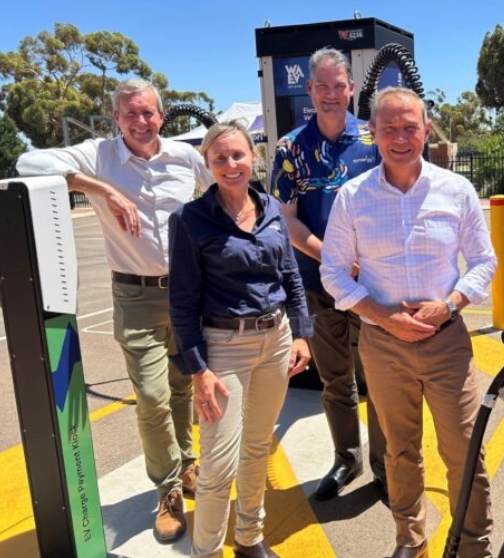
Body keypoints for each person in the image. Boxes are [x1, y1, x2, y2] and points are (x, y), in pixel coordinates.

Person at [16, 79, 213, 543]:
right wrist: (100, 189)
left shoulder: (184, 158)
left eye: (147, 112)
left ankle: (187, 465)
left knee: (183, 389)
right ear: (116, 118)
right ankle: (167, 489)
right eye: (130, 114)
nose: (140, 121)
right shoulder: (99, 155)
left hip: (188, 294)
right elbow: (29, 162)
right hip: (135, 297)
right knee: (152, 398)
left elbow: (218, 197)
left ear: (162, 115)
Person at [320, 87, 497, 558]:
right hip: (383, 345)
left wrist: (451, 304)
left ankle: (474, 545)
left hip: (446, 341)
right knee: (399, 452)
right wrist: (382, 315)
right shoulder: (353, 197)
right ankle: (410, 539)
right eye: (389, 128)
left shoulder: (455, 190)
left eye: (410, 127)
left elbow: (484, 261)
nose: (400, 138)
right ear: (372, 133)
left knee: (464, 448)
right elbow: (332, 271)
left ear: (426, 130)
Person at [168, 121, 313, 558]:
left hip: (276, 340)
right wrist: (198, 371)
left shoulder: (271, 209)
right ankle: (207, 551)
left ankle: (250, 540)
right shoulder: (190, 220)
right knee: (218, 463)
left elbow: (290, 275)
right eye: (220, 158)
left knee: (257, 447)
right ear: (208, 164)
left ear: (253, 158)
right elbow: (182, 301)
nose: (230, 165)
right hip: (223, 348)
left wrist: (302, 333)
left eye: (238, 155)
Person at [272, 47, 387, 502]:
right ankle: (347, 458)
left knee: (379, 378)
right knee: (335, 380)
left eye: (339, 85)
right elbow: (288, 220)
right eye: (322, 85)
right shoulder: (290, 148)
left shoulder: (374, 139)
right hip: (318, 284)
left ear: (352, 89)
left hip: (371, 283)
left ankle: (385, 466)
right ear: (309, 89)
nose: (331, 94)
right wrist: (334, 259)